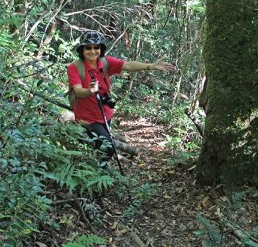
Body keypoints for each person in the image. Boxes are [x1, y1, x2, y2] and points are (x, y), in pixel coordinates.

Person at [67, 30, 176, 162]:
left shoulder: (105, 62)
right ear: (82, 49)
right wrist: (89, 90)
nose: (93, 51)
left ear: (101, 49)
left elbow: (128, 65)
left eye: (96, 47)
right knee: (108, 147)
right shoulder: (75, 67)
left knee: (101, 144)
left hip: (105, 113)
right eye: (88, 48)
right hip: (87, 117)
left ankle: (95, 168)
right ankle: (100, 172)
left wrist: (151, 66)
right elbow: (77, 90)